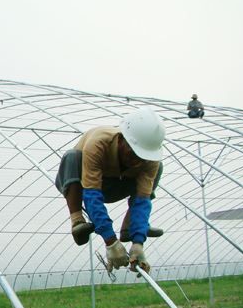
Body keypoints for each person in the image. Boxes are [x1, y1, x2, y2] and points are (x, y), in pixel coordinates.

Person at [55, 107, 166, 274]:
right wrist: (110, 241)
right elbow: (92, 196)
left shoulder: (150, 159)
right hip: (85, 186)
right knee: (72, 157)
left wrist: (138, 242)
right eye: (134, 153)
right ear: (121, 139)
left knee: (157, 169)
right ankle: (77, 220)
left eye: (142, 157)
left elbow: (142, 200)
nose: (137, 161)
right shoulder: (98, 142)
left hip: (121, 184)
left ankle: (131, 227)